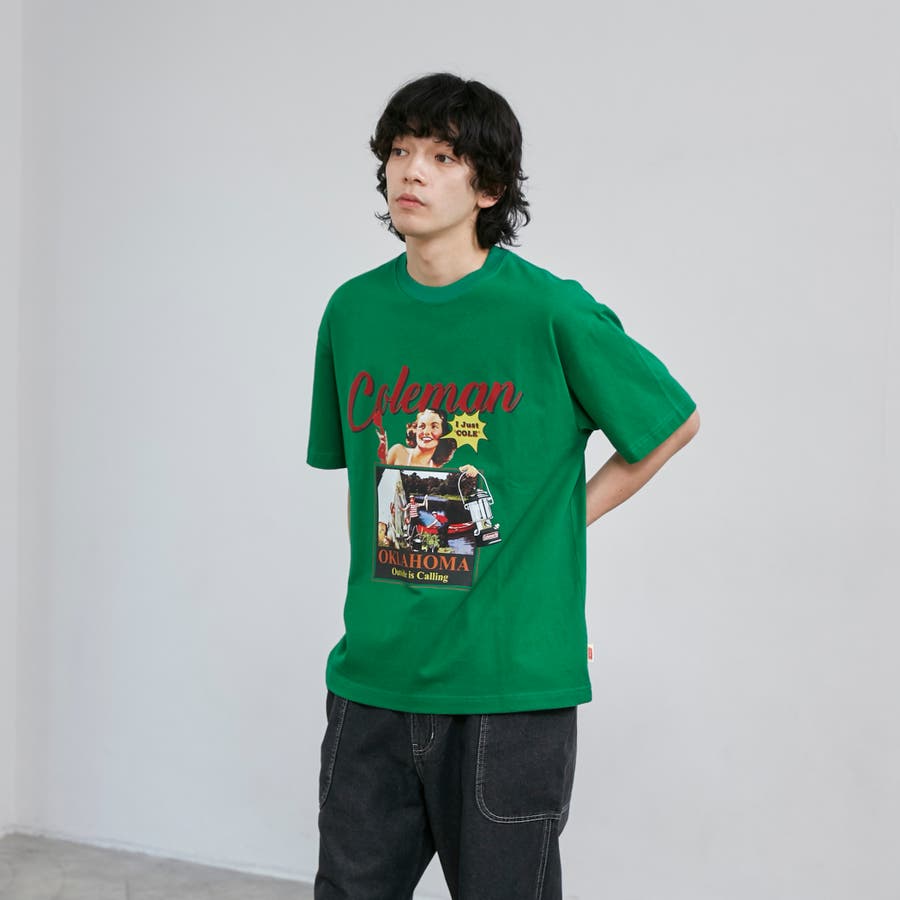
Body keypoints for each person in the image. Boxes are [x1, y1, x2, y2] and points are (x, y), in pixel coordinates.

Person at [307, 73, 699, 900]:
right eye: (400, 151)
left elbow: (671, 423)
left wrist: (555, 529)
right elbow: (373, 493)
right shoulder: (352, 313)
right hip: (373, 681)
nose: (411, 170)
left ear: (487, 188)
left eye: (442, 156)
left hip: (508, 689)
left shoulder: (549, 311)